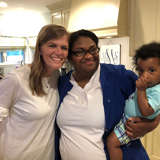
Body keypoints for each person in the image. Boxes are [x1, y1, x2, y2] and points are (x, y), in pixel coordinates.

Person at [55, 29, 160, 160]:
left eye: (93, 49)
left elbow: (155, 95)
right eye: (80, 52)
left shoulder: (119, 76)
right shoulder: (61, 84)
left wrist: (153, 123)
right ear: (69, 56)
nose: (88, 56)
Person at [0, 24, 69, 160]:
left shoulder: (57, 77)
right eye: (52, 45)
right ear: (40, 48)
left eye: (64, 47)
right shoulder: (17, 79)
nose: (59, 52)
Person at [106, 42, 160, 160]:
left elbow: (147, 111)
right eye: (140, 71)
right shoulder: (150, 86)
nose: (144, 75)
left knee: (111, 143)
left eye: (151, 70)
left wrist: (141, 90)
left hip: (131, 124)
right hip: (127, 119)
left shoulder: (157, 91)